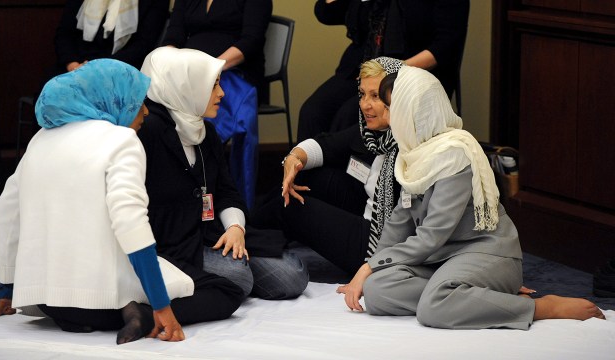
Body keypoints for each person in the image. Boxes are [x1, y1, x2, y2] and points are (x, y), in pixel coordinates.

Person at [337, 65, 605, 329]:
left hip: (484, 253)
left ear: (416, 111)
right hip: (441, 259)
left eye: (395, 108)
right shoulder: (413, 155)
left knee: (434, 308)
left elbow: (432, 235)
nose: (391, 116)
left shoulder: (454, 153)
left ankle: (540, 307)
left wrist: (370, 267)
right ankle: (477, 299)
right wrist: (369, 269)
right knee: (377, 291)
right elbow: (398, 224)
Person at [0, 59, 189, 344]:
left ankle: (77, 319)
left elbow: (7, 217)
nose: (145, 110)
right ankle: (137, 314)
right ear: (113, 98)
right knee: (222, 288)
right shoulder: (122, 139)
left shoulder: (40, 140)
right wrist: (161, 306)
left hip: (46, 303)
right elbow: (130, 222)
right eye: (138, 100)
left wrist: (7, 289)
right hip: (100, 304)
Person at [137, 47, 308, 301]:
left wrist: (236, 229)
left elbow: (227, 191)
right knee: (239, 276)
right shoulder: (147, 131)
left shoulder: (205, 131)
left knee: (293, 275)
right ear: (187, 87)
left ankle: (224, 278)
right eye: (213, 86)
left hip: (213, 233)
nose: (222, 94)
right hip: (173, 245)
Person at [251, 57, 403, 276]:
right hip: (366, 210)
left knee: (290, 208)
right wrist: (294, 159)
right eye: (362, 94)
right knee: (307, 176)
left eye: (376, 96)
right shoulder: (375, 131)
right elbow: (327, 144)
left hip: (377, 243)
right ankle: (244, 230)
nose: (364, 104)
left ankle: (242, 236)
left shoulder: (411, 140)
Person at [297, 0, 470, 142]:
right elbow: (327, 13)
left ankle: (337, 181)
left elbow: (446, 46)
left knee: (349, 116)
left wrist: (390, 70)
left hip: (410, 74)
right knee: (312, 112)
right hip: (364, 68)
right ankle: (304, 179)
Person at [162, 0, 273, 207]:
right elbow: (174, 34)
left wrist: (211, 69)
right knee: (161, 110)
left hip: (234, 72)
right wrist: (168, 63)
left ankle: (218, 201)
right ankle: (177, 199)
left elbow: (251, 40)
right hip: (191, 73)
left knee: (207, 120)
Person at [55, 0, 170, 72]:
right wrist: (72, 64)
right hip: (75, 65)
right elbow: (65, 33)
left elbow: (143, 45)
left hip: (119, 69)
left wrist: (96, 68)